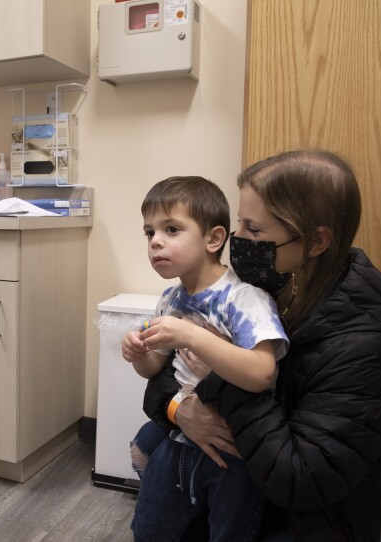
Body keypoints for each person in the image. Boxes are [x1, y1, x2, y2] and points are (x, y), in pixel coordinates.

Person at [142, 149, 381, 541]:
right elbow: (172, 369)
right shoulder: (267, 280)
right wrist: (177, 409)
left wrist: (219, 379)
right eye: (241, 222)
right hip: (249, 464)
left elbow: (301, 478)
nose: (237, 238)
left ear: (317, 241)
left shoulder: (359, 338)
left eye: (254, 230)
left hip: (317, 515)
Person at [122, 176, 289, 541]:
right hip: (180, 437)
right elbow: (154, 368)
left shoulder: (244, 300)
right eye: (149, 233)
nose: (156, 242)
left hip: (234, 453)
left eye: (171, 229)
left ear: (213, 239)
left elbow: (262, 373)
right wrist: (138, 353)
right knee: (149, 529)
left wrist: (190, 335)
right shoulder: (170, 298)